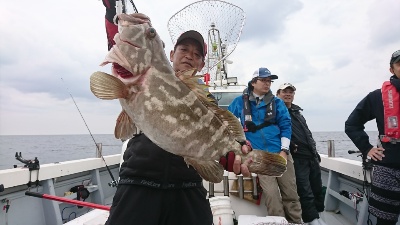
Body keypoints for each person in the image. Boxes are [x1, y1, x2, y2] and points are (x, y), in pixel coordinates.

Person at [102, 1, 252, 225]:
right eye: (183, 50)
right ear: (170, 54)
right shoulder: (139, 71)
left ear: (201, 64)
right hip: (138, 180)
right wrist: (111, 10)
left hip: (187, 186)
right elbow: (123, 45)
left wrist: (240, 147)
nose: (189, 56)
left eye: (196, 54)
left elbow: (226, 129)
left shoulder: (206, 100)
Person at [228, 68, 303, 224]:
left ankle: (296, 222)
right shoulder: (238, 103)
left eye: (269, 81)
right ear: (254, 82)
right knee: (271, 195)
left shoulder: (277, 103)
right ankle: (278, 222)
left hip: (280, 153)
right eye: (264, 80)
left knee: (291, 193)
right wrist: (240, 145)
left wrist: (284, 150)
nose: (267, 83)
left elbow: (286, 126)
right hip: (259, 157)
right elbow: (228, 125)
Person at [345, 50, 400, 225]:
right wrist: (367, 148)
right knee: (385, 220)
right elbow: (352, 124)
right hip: (388, 167)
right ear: (392, 69)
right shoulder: (377, 97)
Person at [276, 83, 326, 225]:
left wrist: (315, 152)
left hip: (311, 156)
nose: (288, 94)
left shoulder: (297, 112)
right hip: (296, 157)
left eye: (291, 92)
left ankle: (318, 216)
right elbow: (275, 131)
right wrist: (289, 146)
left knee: (317, 188)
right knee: (304, 190)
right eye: (285, 91)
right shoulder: (275, 111)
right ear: (278, 93)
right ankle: (311, 219)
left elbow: (307, 133)